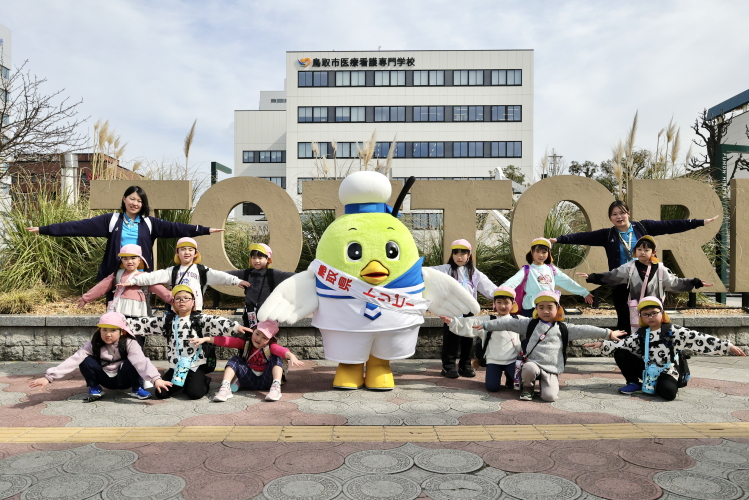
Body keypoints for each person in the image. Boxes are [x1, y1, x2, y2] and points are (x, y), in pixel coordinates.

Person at [550, 199, 719, 332]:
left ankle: (650, 351)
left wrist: (700, 222)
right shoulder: (608, 234)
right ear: (610, 217)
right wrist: (558, 239)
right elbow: (583, 237)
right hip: (621, 283)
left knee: (649, 317)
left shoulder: (643, 227)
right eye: (614, 214)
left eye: (622, 213)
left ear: (628, 213)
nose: (618, 217)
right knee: (624, 320)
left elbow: (671, 225)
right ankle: (625, 353)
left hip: (645, 281)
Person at [26, 185, 225, 282]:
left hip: (141, 275)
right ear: (124, 199)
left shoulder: (149, 223)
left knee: (140, 312)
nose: (135, 203)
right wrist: (45, 229)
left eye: (139, 201)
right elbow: (79, 226)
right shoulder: (111, 220)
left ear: (143, 204)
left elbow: (177, 228)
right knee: (114, 314)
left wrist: (205, 230)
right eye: (131, 199)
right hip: (115, 274)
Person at [584, 296, 745, 400]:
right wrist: (602, 344)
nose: (650, 317)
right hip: (647, 369)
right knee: (620, 353)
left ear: (662, 313)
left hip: (668, 372)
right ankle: (634, 383)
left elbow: (699, 339)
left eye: (654, 313)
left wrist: (728, 346)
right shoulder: (641, 333)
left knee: (668, 394)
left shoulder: (674, 331)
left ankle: (655, 385)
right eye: (645, 314)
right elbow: (623, 343)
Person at [476, 291, 626, 402]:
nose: (545, 311)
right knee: (528, 367)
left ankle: (544, 384)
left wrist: (608, 333)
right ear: (536, 310)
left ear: (558, 309)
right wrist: (486, 325)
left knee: (549, 397)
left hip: (551, 368)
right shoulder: (529, 324)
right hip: (533, 364)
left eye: (550, 307)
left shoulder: (564, 328)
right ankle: (527, 387)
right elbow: (506, 322)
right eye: (541, 307)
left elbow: (586, 329)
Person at [126, 285, 253, 400]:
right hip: (176, 366)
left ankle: (203, 380)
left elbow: (217, 321)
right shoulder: (168, 321)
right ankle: (182, 381)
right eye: (178, 299)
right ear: (174, 302)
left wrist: (236, 327)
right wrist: (121, 324)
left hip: (195, 365)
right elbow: (146, 323)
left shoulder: (200, 319)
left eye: (186, 298)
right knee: (161, 394)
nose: (182, 301)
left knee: (195, 394)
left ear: (193, 302)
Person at [576, 236, 713, 332]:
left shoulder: (660, 269)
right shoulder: (628, 268)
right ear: (635, 251)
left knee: (656, 334)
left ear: (653, 252)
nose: (643, 252)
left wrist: (695, 282)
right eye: (640, 249)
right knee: (637, 334)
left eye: (646, 250)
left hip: (655, 309)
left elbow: (674, 283)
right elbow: (612, 276)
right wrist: (592, 277)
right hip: (637, 310)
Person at [29, 312, 170, 401]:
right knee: (85, 360)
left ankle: (137, 389)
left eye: (113, 330)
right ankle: (95, 388)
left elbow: (141, 361)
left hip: (125, 379)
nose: (108, 334)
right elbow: (74, 359)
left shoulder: (130, 343)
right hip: (105, 378)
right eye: (104, 330)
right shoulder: (93, 343)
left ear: (122, 332)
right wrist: (49, 377)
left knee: (132, 361)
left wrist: (156, 379)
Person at [120, 237, 249, 312]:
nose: (186, 252)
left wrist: (237, 281)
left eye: (190, 249)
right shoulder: (172, 271)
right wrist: (131, 281)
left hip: (195, 311)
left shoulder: (201, 270)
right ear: (177, 253)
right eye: (183, 249)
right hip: (176, 311)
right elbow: (151, 277)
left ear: (195, 253)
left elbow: (221, 276)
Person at [431, 239, 497, 379]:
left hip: (469, 312)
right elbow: (428, 274)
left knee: (467, 339)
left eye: (463, 253)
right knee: (451, 339)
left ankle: (465, 365)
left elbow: (489, 288)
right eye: (456, 253)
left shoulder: (475, 273)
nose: (459, 257)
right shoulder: (445, 270)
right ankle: (448, 366)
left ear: (469, 255)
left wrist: (502, 296)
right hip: (451, 310)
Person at [192, 320, 303, 402]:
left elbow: (282, 350)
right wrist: (206, 339)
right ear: (253, 331)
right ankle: (225, 388)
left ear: (270, 339)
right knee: (235, 359)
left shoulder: (271, 347)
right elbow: (227, 341)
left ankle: (276, 388)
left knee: (277, 358)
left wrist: (291, 356)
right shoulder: (246, 343)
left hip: (267, 381)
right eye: (257, 333)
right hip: (249, 379)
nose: (259, 339)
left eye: (264, 338)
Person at [440, 286, 520, 392]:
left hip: (513, 360)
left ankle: (510, 379)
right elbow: (470, 322)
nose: (502, 306)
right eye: (499, 302)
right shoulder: (488, 320)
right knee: (492, 387)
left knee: (518, 386)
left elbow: (533, 324)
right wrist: (452, 322)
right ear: (494, 304)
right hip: (494, 361)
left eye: (506, 302)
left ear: (513, 304)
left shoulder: (518, 320)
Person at [501, 238, 593, 317]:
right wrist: (498, 293)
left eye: (544, 252)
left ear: (548, 254)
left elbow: (567, 282)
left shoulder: (551, 269)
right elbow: (512, 282)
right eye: (537, 252)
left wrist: (583, 292)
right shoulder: (527, 270)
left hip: (549, 307)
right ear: (532, 252)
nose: (541, 255)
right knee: (529, 333)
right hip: (531, 307)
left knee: (547, 332)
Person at [225, 243, 295, 328]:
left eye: (260, 258)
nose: (256, 261)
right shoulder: (247, 273)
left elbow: (291, 275)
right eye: (254, 258)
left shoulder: (272, 274)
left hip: (267, 314)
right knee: (250, 334)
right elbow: (226, 275)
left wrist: (310, 274)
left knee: (266, 336)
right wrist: (237, 281)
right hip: (250, 313)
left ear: (267, 259)